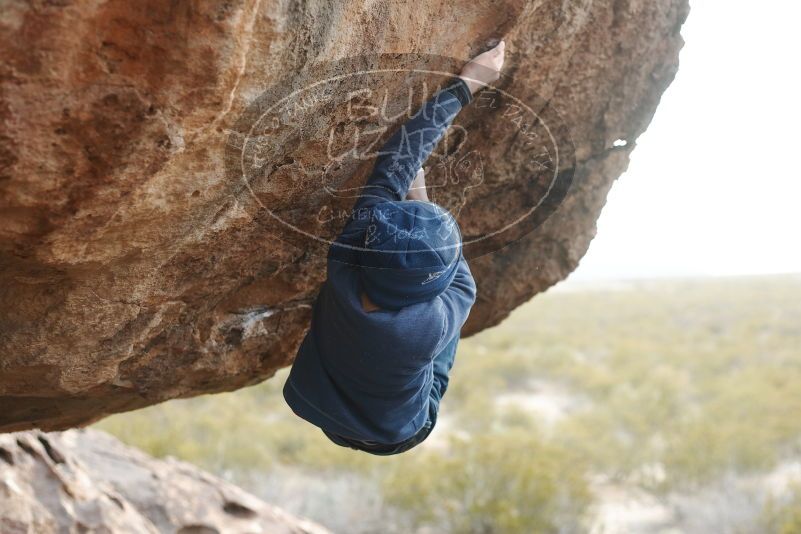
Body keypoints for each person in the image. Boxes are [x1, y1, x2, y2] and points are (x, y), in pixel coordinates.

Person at [283, 41, 506, 455]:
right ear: (431, 288)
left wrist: (466, 84)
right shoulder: (435, 323)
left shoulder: (348, 254)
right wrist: (419, 196)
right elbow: (455, 274)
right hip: (395, 433)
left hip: (318, 404)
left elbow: (395, 160)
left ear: (370, 245)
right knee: (440, 355)